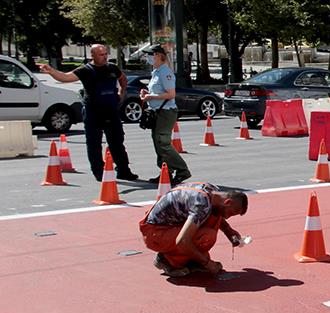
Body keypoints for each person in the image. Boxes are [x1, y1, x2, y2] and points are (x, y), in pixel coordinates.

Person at [39, 44, 139, 182]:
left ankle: (124, 170)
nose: (104, 57)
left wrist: (122, 93)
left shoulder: (112, 68)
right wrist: (51, 71)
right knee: (94, 143)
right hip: (93, 112)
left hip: (111, 111)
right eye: (101, 54)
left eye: (105, 54)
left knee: (117, 142)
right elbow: (65, 77)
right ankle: (99, 172)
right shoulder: (85, 70)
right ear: (92, 55)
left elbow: (122, 78)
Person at [140, 182, 248, 277]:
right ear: (227, 202)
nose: (228, 217)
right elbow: (182, 241)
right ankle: (168, 260)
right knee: (206, 236)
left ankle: (191, 260)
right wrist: (207, 263)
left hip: (162, 225)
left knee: (214, 216)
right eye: (231, 213)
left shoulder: (212, 192)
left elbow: (215, 213)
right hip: (155, 233)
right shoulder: (201, 204)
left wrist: (228, 230)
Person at [141, 45, 191, 185]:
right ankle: (165, 172)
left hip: (166, 112)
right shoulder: (156, 71)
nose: (148, 58)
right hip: (158, 111)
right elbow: (158, 91)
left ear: (158, 55)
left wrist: (150, 97)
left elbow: (171, 94)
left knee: (163, 143)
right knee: (158, 142)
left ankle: (182, 170)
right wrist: (147, 94)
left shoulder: (165, 72)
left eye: (150, 55)